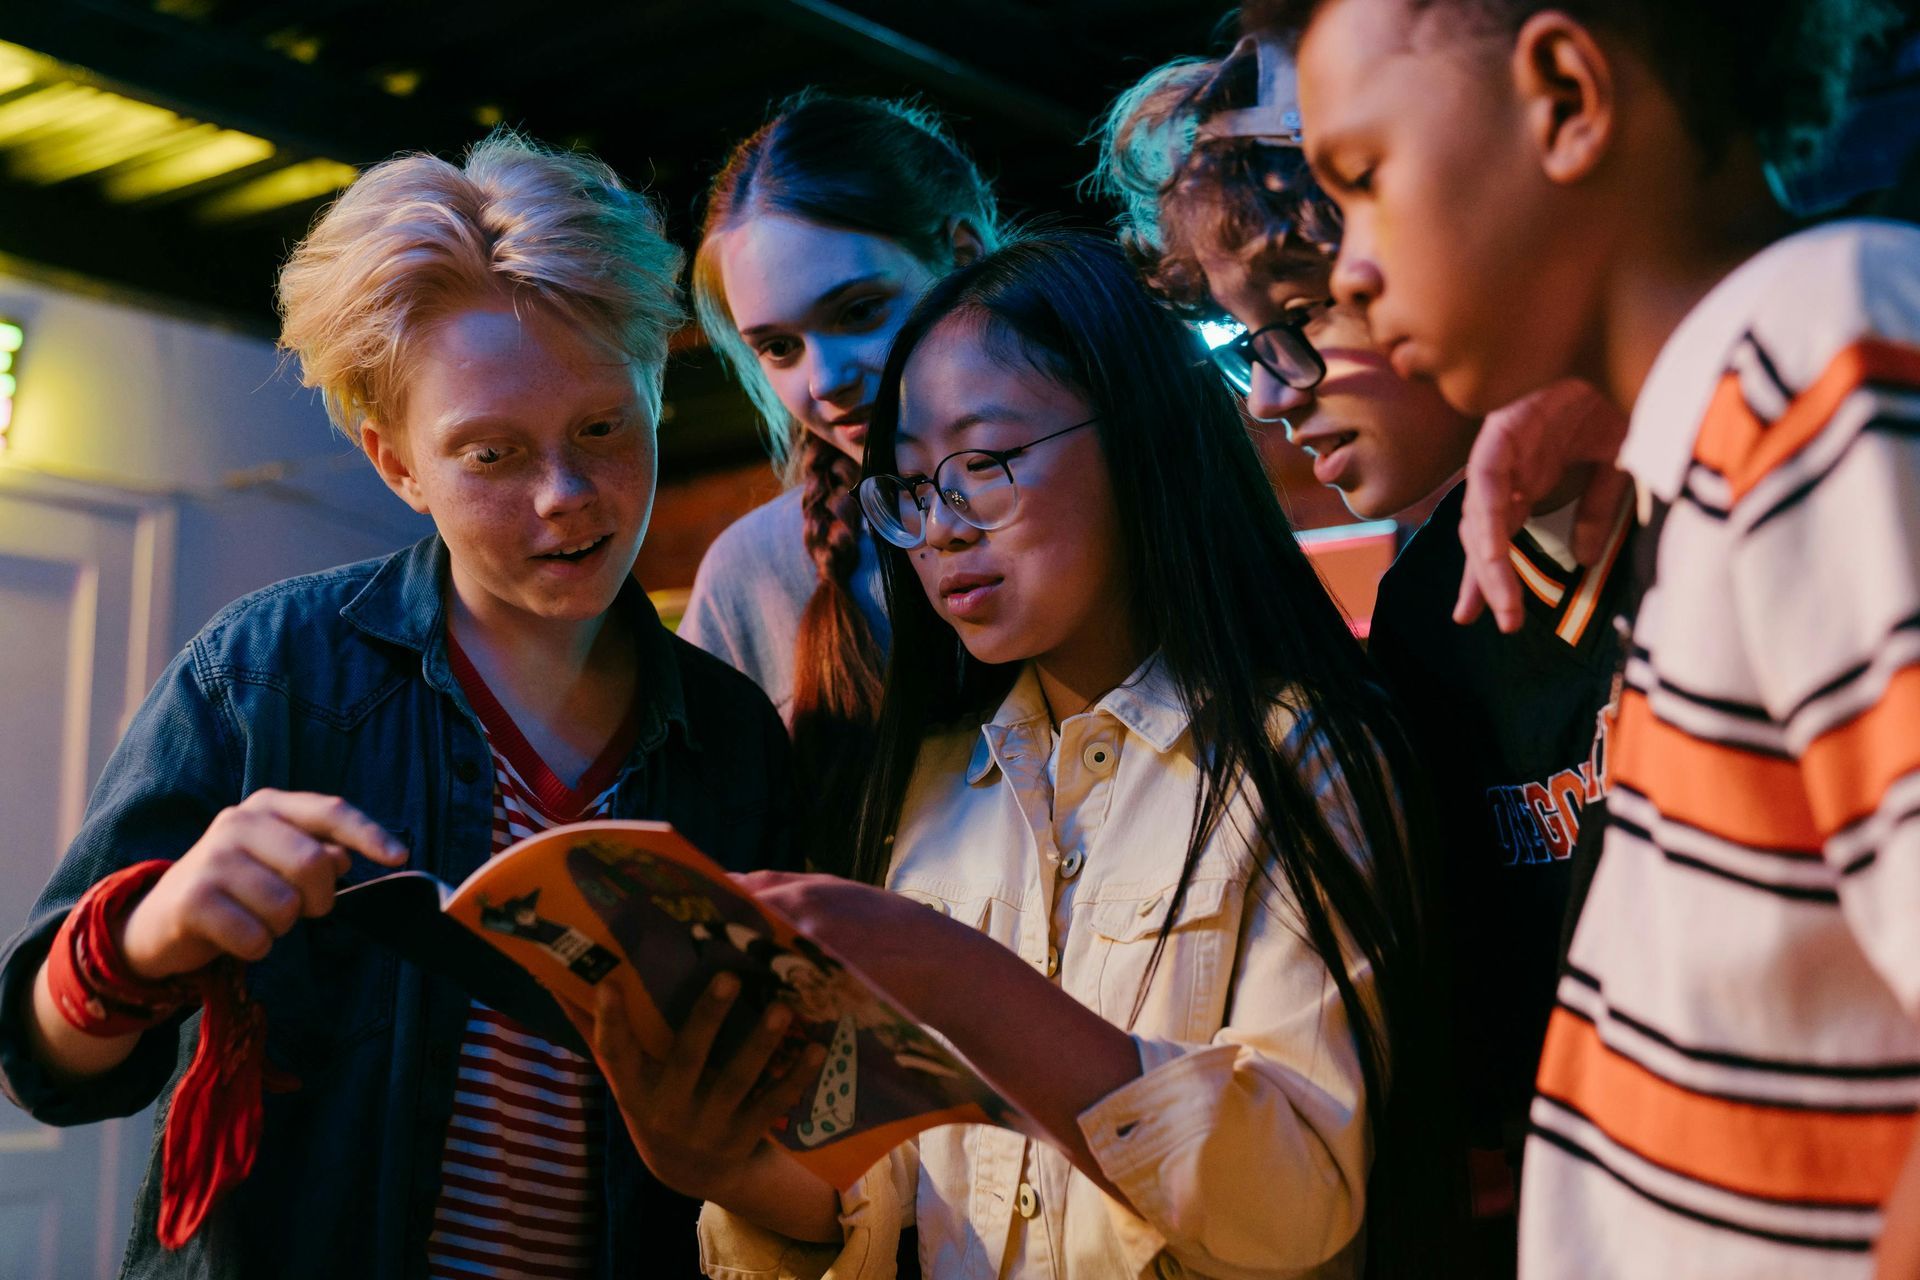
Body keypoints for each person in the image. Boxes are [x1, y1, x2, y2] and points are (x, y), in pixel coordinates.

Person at [0, 131, 796, 1279]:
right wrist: (151, 929)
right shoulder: (272, 671)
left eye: (603, 429)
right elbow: (41, 1056)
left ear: (656, 392)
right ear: (396, 464)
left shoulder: (731, 741)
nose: (565, 496)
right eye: (491, 454)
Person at [588, 231, 1458, 1278]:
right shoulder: (924, 783)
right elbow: (883, 1197)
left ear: (1139, 438)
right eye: (909, 486)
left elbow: (1297, 1205)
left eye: (986, 463)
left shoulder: (1303, 756)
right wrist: (722, 1164)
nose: (941, 529)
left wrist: (955, 973)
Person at [1256, 0, 1920, 1274]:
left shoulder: (1815, 355)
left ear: (1565, 95)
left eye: (1365, 178)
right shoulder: (1732, 423)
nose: (1345, 270)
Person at [1098, 42, 1632, 1269]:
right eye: (1242, 346)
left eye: (1298, 319)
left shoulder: (1724, 485)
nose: (1272, 396)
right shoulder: (1421, 607)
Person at [679, 93, 1001, 861]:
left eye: (860, 311)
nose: (825, 380)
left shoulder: (1116, 475)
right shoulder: (755, 569)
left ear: (962, 254)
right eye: (779, 347)